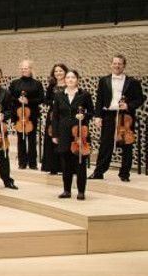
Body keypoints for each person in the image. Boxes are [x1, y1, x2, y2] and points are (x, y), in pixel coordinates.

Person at [92, 55, 145, 182]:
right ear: (111, 65)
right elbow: (99, 100)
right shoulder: (104, 80)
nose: (117, 66)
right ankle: (99, 172)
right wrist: (97, 116)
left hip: (125, 116)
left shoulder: (132, 82)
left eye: (119, 64)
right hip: (109, 115)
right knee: (105, 144)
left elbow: (140, 99)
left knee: (127, 144)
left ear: (124, 65)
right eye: (115, 63)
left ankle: (124, 174)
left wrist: (128, 105)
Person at [53, 70, 95, 199]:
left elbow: (92, 112)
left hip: (79, 132)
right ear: (65, 80)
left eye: (73, 77)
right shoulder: (59, 95)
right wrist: (55, 134)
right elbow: (55, 116)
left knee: (80, 162)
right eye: (68, 77)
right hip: (64, 131)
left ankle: (81, 191)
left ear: (77, 80)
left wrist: (84, 116)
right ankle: (67, 190)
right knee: (66, 163)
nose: (70, 79)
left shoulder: (84, 95)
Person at [8, 60, 45, 170]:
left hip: (32, 114)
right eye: (22, 68)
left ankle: (32, 163)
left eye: (26, 68)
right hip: (19, 115)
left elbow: (41, 98)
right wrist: (18, 100)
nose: (24, 70)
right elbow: (9, 97)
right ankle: (22, 162)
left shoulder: (37, 83)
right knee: (21, 139)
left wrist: (29, 101)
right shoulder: (15, 83)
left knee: (32, 139)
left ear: (31, 69)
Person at [42, 63, 69, 176]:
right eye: (56, 71)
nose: (58, 73)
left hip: (65, 115)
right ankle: (52, 167)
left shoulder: (69, 84)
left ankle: (65, 167)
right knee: (52, 139)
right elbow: (46, 100)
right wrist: (53, 102)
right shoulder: (52, 86)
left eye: (60, 71)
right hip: (53, 115)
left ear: (65, 72)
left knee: (64, 139)